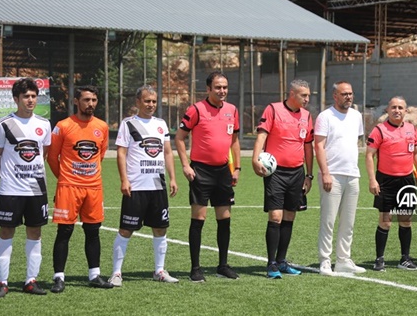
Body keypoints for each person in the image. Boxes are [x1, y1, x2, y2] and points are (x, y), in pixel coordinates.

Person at [109, 86, 179, 286]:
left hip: (158, 186)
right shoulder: (129, 124)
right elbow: (121, 153)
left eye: (154, 101)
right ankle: (116, 273)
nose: (151, 105)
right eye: (147, 101)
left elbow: (167, 152)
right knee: (126, 229)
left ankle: (159, 270)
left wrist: (173, 178)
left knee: (160, 228)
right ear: (138, 102)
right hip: (136, 186)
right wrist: (124, 179)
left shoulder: (161, 124)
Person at [175, 71, 241, 281]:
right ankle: (195, 268)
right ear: (208, 89)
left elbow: (235, 141)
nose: (222, 91)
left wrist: (237, 168)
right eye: (218, 87)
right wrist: (186, 165)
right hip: (201, 171)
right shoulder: (196, 110)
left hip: (223, 171)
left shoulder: (232, 110)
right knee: (199, 218)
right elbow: (179, 137)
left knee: (225, 219)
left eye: (225, 87)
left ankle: (223, 265)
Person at [0, 78, 52, 298]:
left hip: (36, 189)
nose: (30, 100)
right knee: (6, 232)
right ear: (16, 99)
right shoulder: (4, 124)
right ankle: (2, 282)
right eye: (26, 96)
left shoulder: (44, 124)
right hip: (10, 190)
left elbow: (44, 153)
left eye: (34, 96)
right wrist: (7, 177)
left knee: (35, 233)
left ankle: (30, 280)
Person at [48, 85, 112, 292]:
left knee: (93, 232)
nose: (90, 104)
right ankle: (59, 277)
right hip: (69, 188)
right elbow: (52, 157)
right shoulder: (63, 126)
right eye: (86, 100)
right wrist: (65, 178)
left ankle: (94, 274)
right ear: (76, 101)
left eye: (94, 100)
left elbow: (100, 155)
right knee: (64, 231)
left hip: (93, 188)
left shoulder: (101, 126)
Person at [252, 79, 314, 279]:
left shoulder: (307, 116)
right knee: (275, 217)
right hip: (276, 173)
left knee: (289, 216)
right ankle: (271, 264)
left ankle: (282, 261)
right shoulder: (273, 110)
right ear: (292, 94)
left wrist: (309, 175)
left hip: (297, 173)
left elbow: (308, 146)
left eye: (308, 95)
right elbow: (261, 135)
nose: (307, 99)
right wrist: (255, 159)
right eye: (303, 95)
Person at [366, 96, 417, 272]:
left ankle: (405, 259)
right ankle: (379, 259)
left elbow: (416, 153)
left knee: (406, 220)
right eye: (393, 107)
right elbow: (369, 155)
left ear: (406, 111)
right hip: (386, 180)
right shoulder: (379, 130)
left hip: (407, 181)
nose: (397, 110)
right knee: (386, 221)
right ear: (387, 110)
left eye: (400, 107)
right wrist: (372, 179)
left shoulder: (411, 129)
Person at [315, 81, 365, 276]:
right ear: (335, 96)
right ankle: (325, 261)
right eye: (344, 94)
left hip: (353, 175)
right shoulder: (325, 117)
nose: (349, 97)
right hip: (332, 175)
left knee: (348, 221)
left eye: (351, 93)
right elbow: (318, 146)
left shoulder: (357, 116)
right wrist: (325, 172)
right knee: (328, 221)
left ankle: (343, 260)